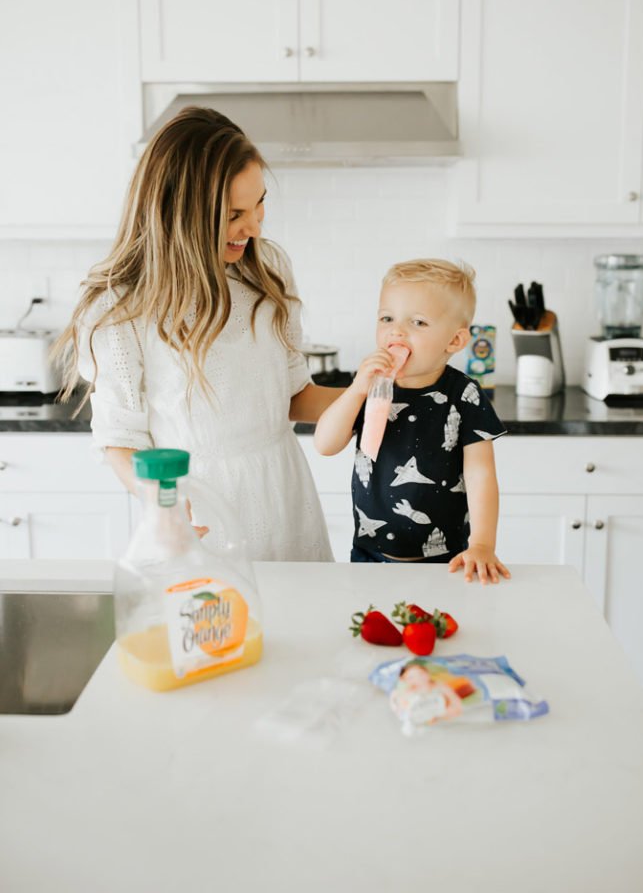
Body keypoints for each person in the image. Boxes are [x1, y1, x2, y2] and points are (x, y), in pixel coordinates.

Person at [54, 106, 342, 562]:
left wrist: (379, 389)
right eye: (234, 214)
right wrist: (160, 500)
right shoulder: (121, 306)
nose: (255, 226)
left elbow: (295, 396)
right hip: (200, 510)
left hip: (284, 489)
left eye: (259, 202)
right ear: (177, 213)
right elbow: (120, 439)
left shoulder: (269, 271)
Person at [314, 258, 510, 582]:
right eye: (387, 318)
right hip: (368, 555)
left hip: (447, 560)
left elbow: (481, 473)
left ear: (455, 341)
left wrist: (483, 544)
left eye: (418, 322)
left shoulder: (464, 394)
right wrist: (355, 390)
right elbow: (325, 444)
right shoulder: (370, 385)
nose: (397, 330)